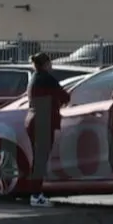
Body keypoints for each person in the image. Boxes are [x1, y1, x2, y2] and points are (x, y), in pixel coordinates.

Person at [24, 53, 70, 207]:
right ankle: (36, 195)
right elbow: (64, 97)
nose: (51, 66)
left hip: (33, 120)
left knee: (38, 160)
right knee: (40, 161)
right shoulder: (47, 78)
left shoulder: (34, 78)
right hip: (43, 122)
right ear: (45, 64)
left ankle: (35, 193)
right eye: (50, 63)